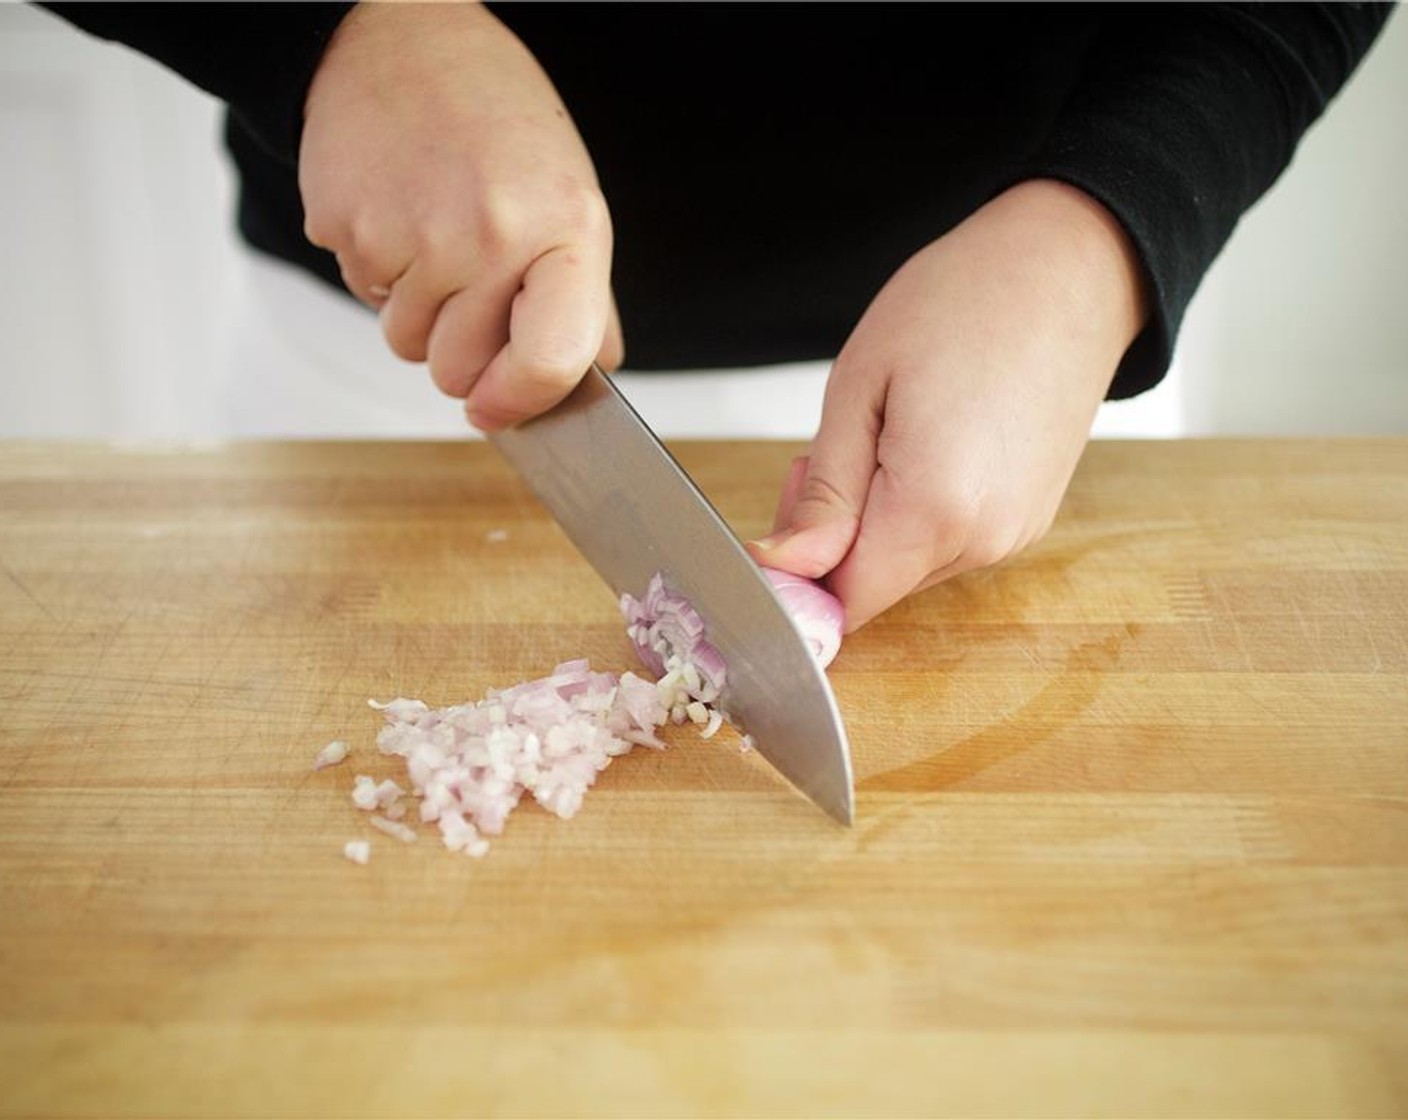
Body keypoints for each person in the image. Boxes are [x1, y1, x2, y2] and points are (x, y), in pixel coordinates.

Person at [41, 1, 1393, 632]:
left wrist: (1109, 228)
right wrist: (325, 26)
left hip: (1045, 346)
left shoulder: (1084, 274)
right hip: (395, 337)